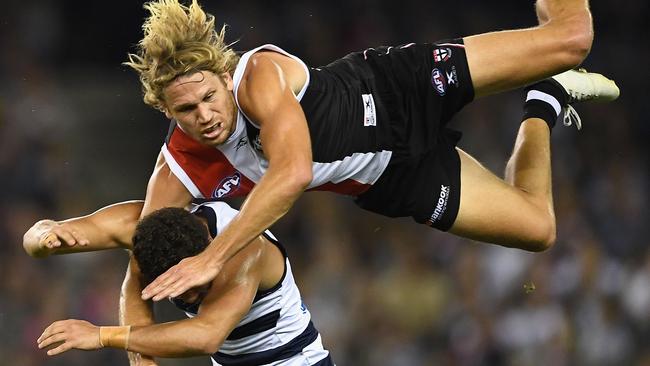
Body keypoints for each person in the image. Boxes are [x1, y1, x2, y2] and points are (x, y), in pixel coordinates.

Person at [123, 0, 619, 304]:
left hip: (399, 89)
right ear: (166, 111)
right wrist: (50, 236)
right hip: (393, 178)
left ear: (222, 78)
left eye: (209, 97)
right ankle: (547, 98)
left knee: (572, 39)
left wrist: (212, 256)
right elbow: (139, 256)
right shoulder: (179, 165)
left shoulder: (256, 76)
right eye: (186, 109)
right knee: (539, 228)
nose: (204, 115)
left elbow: (293, 171)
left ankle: (556, 67)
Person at [24, 201, 334, 366]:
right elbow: (38, 235)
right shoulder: (138, 226)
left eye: (194, 282)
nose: (191, 297)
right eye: (176, 289)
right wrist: (41, 238)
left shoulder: (245, 250)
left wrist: (103, 335)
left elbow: (206, 337)